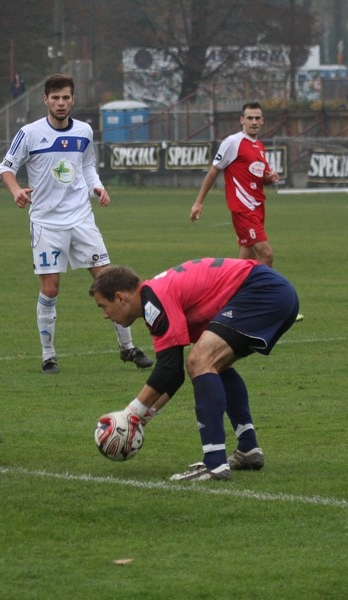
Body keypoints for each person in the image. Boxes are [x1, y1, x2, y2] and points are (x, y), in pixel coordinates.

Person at [89, 257, 300, 481]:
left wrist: (130, 414)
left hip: (261, 290)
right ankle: (248, 449)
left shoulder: (154, 301)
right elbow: (174, 375)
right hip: (272, 291)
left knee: (200, 361)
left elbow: (168, 369)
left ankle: (214, 464)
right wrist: (143, 417)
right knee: (214, 365)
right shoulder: (154, 297)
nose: (104, 314)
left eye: (103, 306)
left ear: (120, 297)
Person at [0, 73, 153, 374]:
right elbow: (6, 167)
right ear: (45, 100)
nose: (60, 102)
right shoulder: (29, 133)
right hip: (46, 222)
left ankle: (128, 348)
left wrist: (97, 187)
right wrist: (16, 189)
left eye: (65, 97)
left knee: (111, 281)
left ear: (73, 100)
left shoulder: (84, 131)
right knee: (51, 289)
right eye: (55, 97)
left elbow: (87, 165)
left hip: (82, 219)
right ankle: (48, 355)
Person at [190, 102, 303, 320]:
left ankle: (228, 305)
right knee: (267, 255)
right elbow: (214, 171)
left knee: (242, 266)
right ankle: (271, 304)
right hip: (242, 210)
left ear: (262, 121)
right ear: (242, 120)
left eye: (257, 118)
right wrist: (199, 202)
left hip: (258, 208)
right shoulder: (233, 142)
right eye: (249, 118)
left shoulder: (259, 146)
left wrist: (269, 179)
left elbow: (257, 178)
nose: (253, 122)